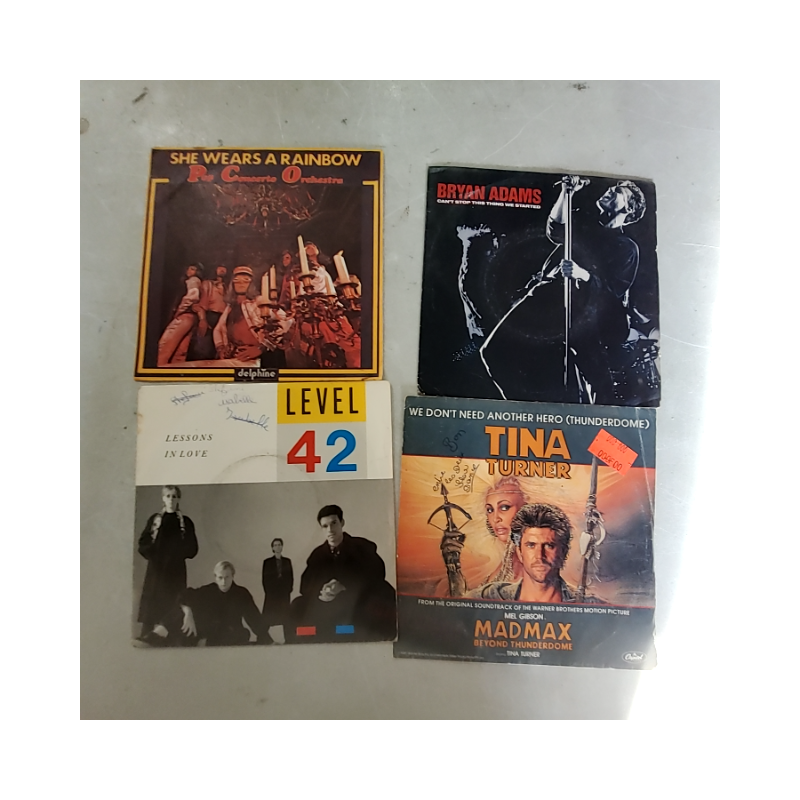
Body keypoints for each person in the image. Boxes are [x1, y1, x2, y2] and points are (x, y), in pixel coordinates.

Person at [480, 176, 650, 405]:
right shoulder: (585, 223)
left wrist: (583, 275)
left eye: (618, 191)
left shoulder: (626, 249)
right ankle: (530, 410)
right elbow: (555, 230)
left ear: (628, 209)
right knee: (494, 351)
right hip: (547, 297)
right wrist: (566, 193)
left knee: (595, 384)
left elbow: (613, 294)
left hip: (584, 317)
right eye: (613, 187)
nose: (610, 190)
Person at [289, 505, 396, 641]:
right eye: (325, 526)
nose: (330, 530)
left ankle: (356, 634)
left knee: (381, 598)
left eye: (334, 523)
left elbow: (377, 573)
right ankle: (315, 636)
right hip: (329, 604)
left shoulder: (362, 547)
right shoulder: (317, 555)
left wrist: (344, 586)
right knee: (298, 605)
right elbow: (305, 585)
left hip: (357, 600)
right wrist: (323, 590)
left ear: (342, 522)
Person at [469, 503, 589, 603]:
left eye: (549, 546)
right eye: (531, 545)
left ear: (564, 551)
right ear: (519, 552)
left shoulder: (585, 604)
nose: (539, 556)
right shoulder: (488, 597)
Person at [151, 561, 269, 646]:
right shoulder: (209, 590)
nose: (224, 581)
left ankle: (200, 642)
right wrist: (188, 613)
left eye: (227, 577)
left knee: (242, 634)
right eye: (220, 577)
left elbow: (255, 619)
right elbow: (184, 595)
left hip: (228, 632)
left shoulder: (242, 593)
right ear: (215, 577)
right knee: (181, 609)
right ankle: (158, 633)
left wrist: (267, 639)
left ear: (233, 576)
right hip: (207, 630)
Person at [137, 485, 198, 637]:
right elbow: (143, 544)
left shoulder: (185, 522)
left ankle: (170, 638)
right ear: (163, 498)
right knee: (152, 603)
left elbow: (193, 549)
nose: (171, 499)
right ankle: (147, 637)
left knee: (174, 603)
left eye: (174, 496)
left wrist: (176, 554)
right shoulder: (155, 520)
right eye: (168, 496)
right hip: (156, 571)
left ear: (178, 499)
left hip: (176, 572)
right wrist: (155, 555)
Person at [213, 265, 263, 361]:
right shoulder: (230, 307)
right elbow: (217, 329)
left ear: (251, 283)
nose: (241, 284)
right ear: (233, 284)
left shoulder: (259, 301)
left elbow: (284, 323)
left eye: (245, 280)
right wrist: (220, 348)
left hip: (256, 357)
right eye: (237, 280)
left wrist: (261, 348)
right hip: (235, 357)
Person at [157, 264, 203, 365]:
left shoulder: (193, 280)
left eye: (193, 269)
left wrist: (180, 310)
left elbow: (192, 296)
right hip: (191, 317)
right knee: (179, 353)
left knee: (164, 348)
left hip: (185, 315)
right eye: (189, 268)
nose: (189, 271)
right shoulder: (197, 282)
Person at [189, 265, 228, 361]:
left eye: (224, 267)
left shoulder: (228, 286)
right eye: (219, 267)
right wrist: (203, 319)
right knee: (204, 351)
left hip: (224, 319)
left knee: (221, 352)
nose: (222, 269)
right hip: (210, 317)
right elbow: (201, 304)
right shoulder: (207, 284)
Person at [261, 538, 293, 629]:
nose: (277, 547)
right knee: (268, 617)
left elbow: (290, 577)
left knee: (286, 617)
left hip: (284, 592)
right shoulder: (267, 562)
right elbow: (265, 578)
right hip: (272, 593)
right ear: (272, 548)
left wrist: (288, 589)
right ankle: (263, 635)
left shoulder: (287, 561)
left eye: (279, 545)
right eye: (275, 545)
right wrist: (268, 591)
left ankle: (288, 636)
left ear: (282, 547)